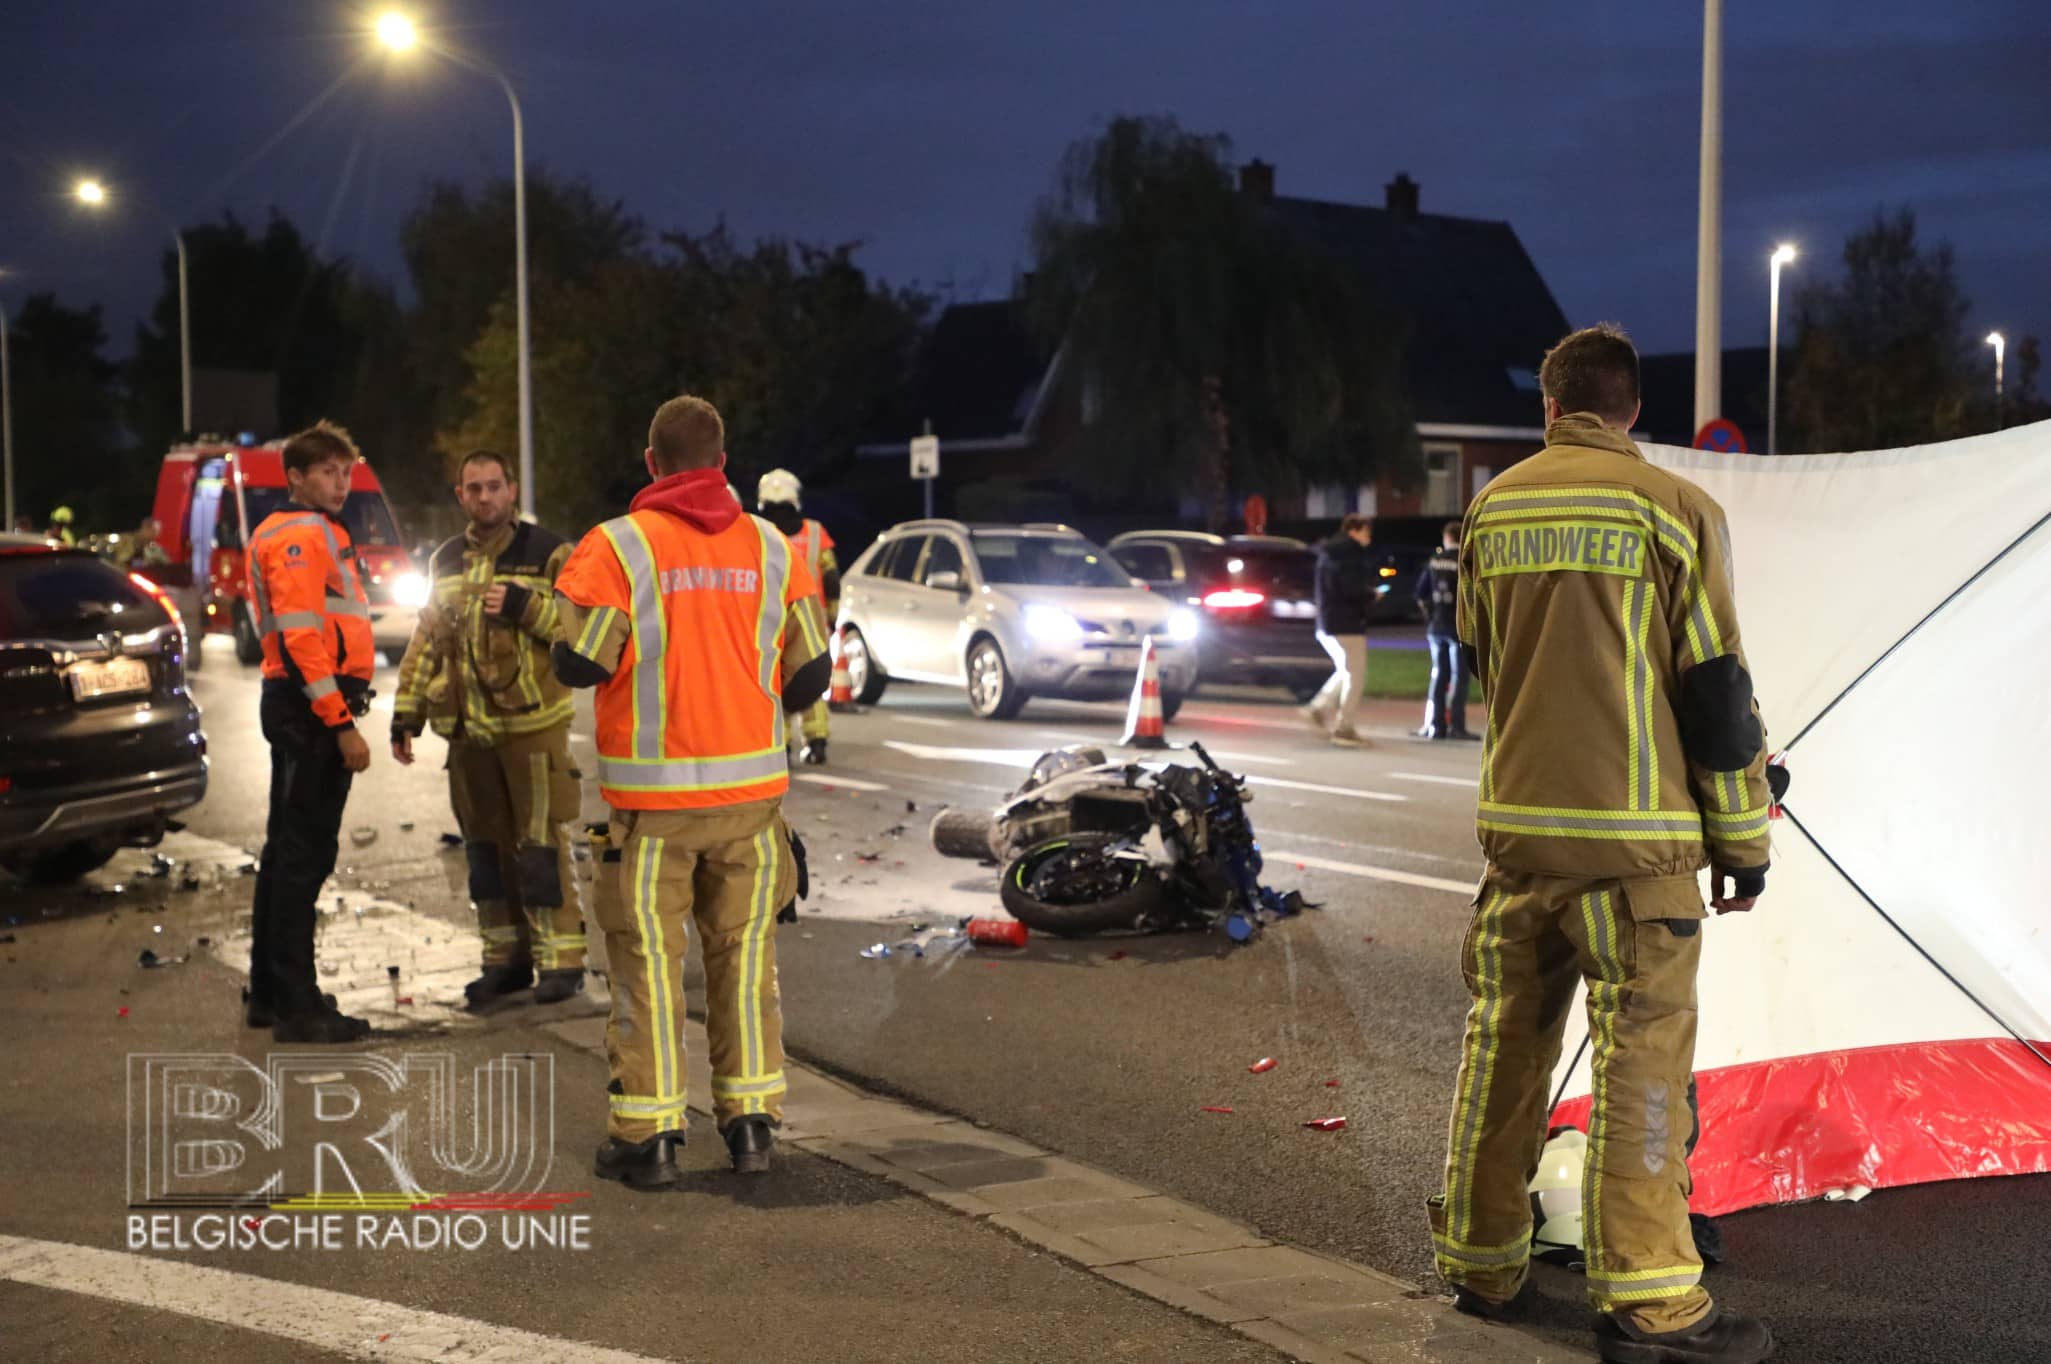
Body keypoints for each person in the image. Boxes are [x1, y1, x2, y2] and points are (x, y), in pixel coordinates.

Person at [1428, 325, 1775, 1364]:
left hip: (1521, 838)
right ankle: (1654, 1300)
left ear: (1550, 407)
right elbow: (1713, 690)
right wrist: (1743, 839)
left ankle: (1481, 1258)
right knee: (1642, 1063)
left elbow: (1484, 652)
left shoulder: (1493, 506)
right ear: (1630, 411)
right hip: (1638, 856)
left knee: (1503, 1045)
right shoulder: (1677, 511)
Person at [552, 395, 831, 1187]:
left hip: (653, 815)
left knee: (647, 968)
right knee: (743, 965)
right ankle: (750, 1126)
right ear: (721, 462)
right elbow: (809, 673)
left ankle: (649, 1139)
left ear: (651, 463)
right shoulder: (776, 550)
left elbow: (580, 663)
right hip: (750, 805)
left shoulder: (618, 547)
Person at [391, 450, 587, 1011]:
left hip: (533, 730)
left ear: (512, 489)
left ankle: (562, 962)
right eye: (473, 488)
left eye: (494, 486)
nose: (485, 497)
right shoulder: (446, 561)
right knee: (484, 855)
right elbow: (427, 640)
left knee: (539, 848)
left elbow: (584, 630)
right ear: (460, 496)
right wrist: (406, 714)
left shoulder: (548, 552)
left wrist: (528, 607)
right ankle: (504, 962)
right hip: (468, 736)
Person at [245, 421, 377, 1044]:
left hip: (297, 705)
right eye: (327, 471)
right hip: (310, 709)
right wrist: (341, 724)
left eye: (345, 471)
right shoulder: (299, 534)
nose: (340, 481)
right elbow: (302, 640)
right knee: (303, 858)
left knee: (284, 854)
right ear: (294, 478)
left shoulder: (299, 529)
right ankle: (296, 1005)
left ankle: (271, 993)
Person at [755, 468, 839, 766]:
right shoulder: (815, 532)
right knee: (811, 681)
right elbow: (831, 578)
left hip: (771, 624)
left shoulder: (757, 533)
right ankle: (817, 742)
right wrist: (833, 616)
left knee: (776, 685)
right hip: (812, 622)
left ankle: (782, 749)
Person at [1304, 513, 1376, 746]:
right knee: (1355, 675)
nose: (1369, 537)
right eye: (1366, 531)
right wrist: (1371, 595)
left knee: (1345, 670)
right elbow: (1350, 589)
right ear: (1353, 531)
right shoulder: (1349, 554)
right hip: (1347, 623)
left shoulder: (1329, 552)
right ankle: (1344, 728)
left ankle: (1319, 707)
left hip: (1327, 622)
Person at [1415, 521, 1477, 741]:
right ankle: (1457, 726)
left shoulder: (1433, 562)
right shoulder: (1465, 563)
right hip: (1459, 627)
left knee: (1439, 675)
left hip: (1436, 626)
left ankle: (1436, 725)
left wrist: (1431, 615)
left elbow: (1421, 594)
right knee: (1459, 676)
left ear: (1447, 538)